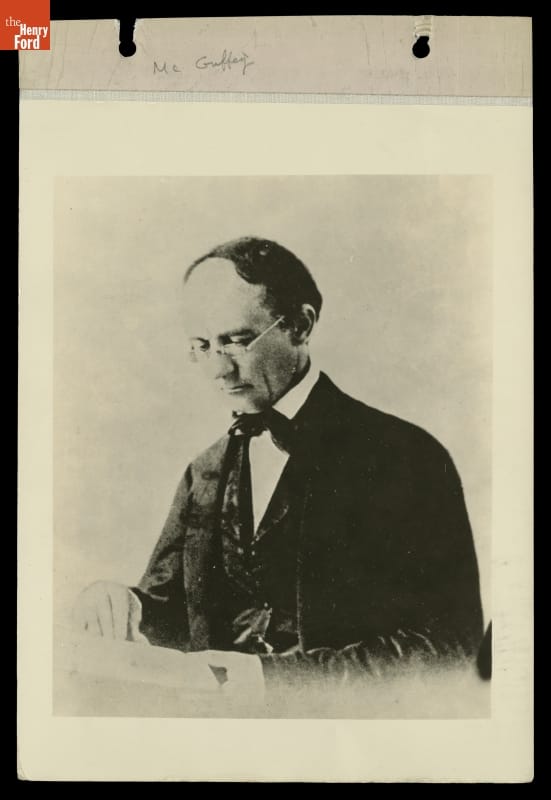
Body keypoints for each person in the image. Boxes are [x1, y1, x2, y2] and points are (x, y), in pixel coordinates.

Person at [73, 236, 484, 697]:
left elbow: (450, 648)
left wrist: (277, 681)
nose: (218, 370)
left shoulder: (404, 456)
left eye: (237, 341)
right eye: (202, 346)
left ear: (300, 325)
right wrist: (121, 603)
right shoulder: (204, 471)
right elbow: (172, 613)